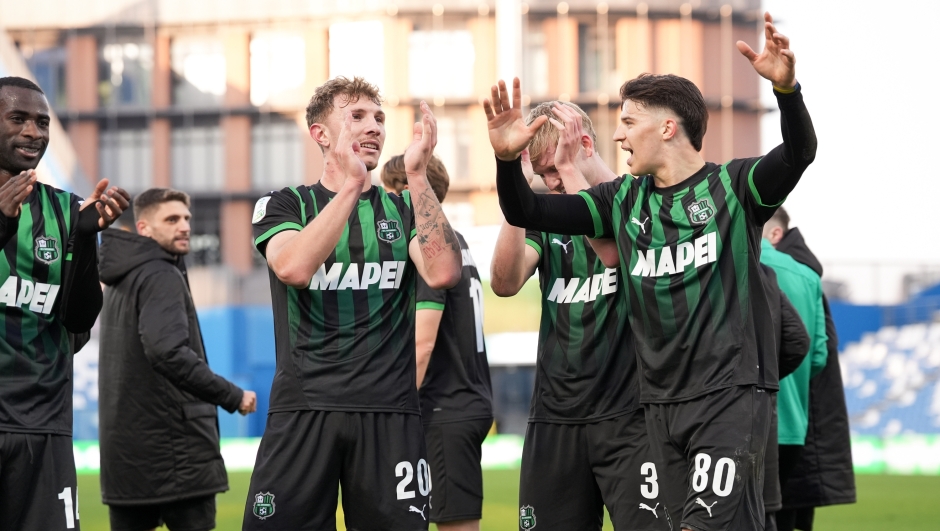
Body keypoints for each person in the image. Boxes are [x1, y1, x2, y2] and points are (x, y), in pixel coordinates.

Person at [484, 12, 815, 531]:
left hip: (726, 395)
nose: (619, 135)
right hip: (660, 406)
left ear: (668, 126)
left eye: (629, 122)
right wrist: (507, 163)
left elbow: (799, 154)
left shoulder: (733, 187)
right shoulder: (621, 202)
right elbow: (529, 212)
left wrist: (787, 92)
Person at [245, 76, 461, 530]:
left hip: (390, 414)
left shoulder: (401, 210)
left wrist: (419, 176)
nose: (374, 127)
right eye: (357, 117)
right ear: (321, 135)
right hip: (306, 410)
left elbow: (443, 273)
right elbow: (293, 268)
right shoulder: (284, 204)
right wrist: (350, 186)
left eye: (380, 118)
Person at [489, 101, 666, 531]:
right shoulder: (544, 213)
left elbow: (617, 256)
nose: (552, 183)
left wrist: (566, 177)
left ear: (584, 145)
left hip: (631, 417)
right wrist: (523, 189)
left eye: (555, 169)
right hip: (556, 417)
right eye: (544, 173)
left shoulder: (635, 203)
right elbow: (505, 281)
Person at [0, 75, 129, 530]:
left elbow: (77, 321)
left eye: (42, 122)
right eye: (18, 118)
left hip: (44, 426)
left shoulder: (66, 211)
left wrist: (84, 239)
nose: (34, 132)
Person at [97, 188, 258, 531]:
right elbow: (167, 352)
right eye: (171, 219)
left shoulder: (121, 278)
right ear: (144, 228)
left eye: (186, 218)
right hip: (176, 455)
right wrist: (233, 396)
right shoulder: (160, 274)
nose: (184, 226)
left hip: (125, 459)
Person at [381, 154, 494, 531]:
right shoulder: (454, 240)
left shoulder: (431, 247)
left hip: (446, 408)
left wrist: (391, 412)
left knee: (454, 525)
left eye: (389, 192)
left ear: (409, 193)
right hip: (464, 401)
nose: (385, 200)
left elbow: (423, 343)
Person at [763, 207, 856, 531]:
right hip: (793, 425)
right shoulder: (807, 275)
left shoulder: (728, 261)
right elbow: (818, 354)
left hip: (737, 421)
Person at [759, 264, 811, 531]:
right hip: (765, 417)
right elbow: (799, 341)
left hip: (702, 418)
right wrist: (760, 381)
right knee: (765, 514)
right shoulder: (768, 274)